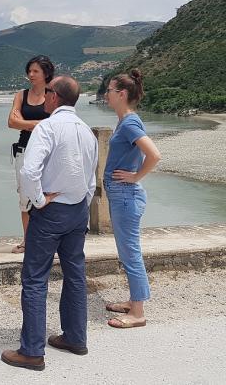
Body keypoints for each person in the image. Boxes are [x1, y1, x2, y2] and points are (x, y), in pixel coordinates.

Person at [0, 76, 98, 371]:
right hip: (78, 210)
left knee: (35, 278)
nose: (43, 97)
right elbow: (92, 177)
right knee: (75, 274)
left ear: (54, 97)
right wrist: (81, 202)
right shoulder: (86, 131)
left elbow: (29, 172)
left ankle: (31, 350)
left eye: (47, 92)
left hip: (51, 212)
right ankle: (75, 337)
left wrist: (40, 201)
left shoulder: (47, 127)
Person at [102, 68, 161, 329]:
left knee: (130, 253)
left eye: (110, 90)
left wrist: (136, 177)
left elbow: (154, 155)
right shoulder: (124, 121)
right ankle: (133, 300)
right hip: (122, 195)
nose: (106, 94)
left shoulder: (129, 122)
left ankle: (137, 313)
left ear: (122, 94)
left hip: (126, 195)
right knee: (128, 252)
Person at [7, 55, 55, 254]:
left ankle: (48, 241)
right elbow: (11, 121)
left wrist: (24, 122)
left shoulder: (53, 94)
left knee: (47, 195)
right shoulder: (21, 94)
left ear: (46, 73)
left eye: (35, 71)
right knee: (25, 196)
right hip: (24, 151)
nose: (31, 75)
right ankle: (27, 241)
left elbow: (56, 124)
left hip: (48, 153)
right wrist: (37, 124)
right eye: (29, 71)